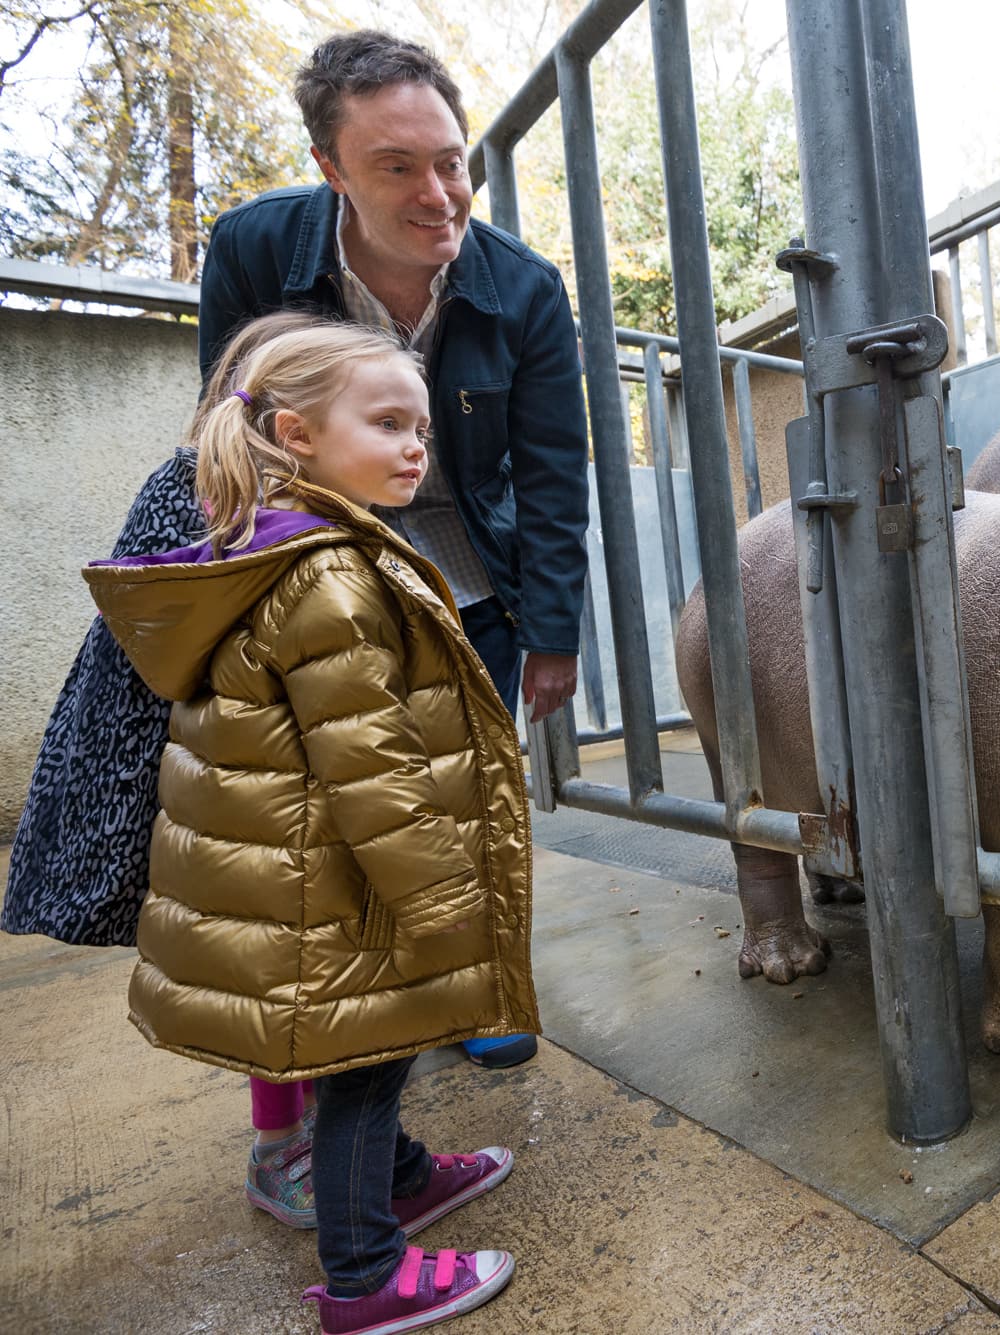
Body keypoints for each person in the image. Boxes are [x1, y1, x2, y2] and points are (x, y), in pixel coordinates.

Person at [87, 314, 536, 1331]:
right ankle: (366, 1278)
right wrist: (447, 904)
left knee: (371, 1056)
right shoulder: (330, 577)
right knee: (366, 1070)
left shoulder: (285, 547)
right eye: (386, 422)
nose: (415, 445)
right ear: (295, 435)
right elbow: (371, 771)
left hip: (309, 881)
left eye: (420, 427)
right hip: (333, 889)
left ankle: (407, 1177)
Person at [201, 28, 594, 1070]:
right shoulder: (251, 250)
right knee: (334, 806)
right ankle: (367, 1004)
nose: (440, 194)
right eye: (396, 167)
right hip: (318, 578)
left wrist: (552, 632)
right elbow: (222, 434)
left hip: (473, 579)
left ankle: (477, 984)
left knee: (468, 793)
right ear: (330, 169)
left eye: (452, 161)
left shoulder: (525, 288)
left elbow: (553, 475)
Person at [5, 310, 343, 1225]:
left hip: (208, 771)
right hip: (175, 770)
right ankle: (284, 1151)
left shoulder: (248, 483)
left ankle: (311, 1136)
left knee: (282, 963)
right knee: (265, 967)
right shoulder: (212, 492)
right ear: (296, 425)